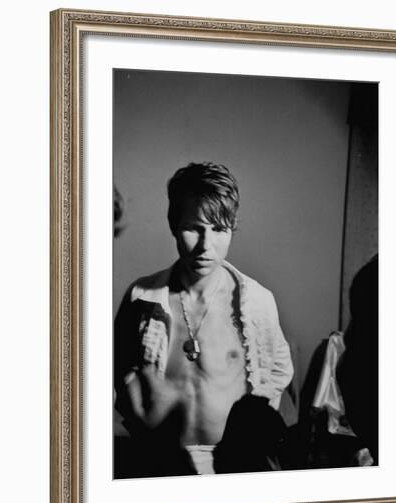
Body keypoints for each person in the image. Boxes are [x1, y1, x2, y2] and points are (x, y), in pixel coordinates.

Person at [114, 162, 294, 477]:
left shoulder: (258, 302)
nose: (205, 246)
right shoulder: (141, 297)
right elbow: (114, 370)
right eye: (194, 227)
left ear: (233, 226)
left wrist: (249, 441)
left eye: (219, 230)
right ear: (173, 223)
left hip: (235, 467)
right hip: (158, 464)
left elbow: (278, 371)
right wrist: (139, 423)